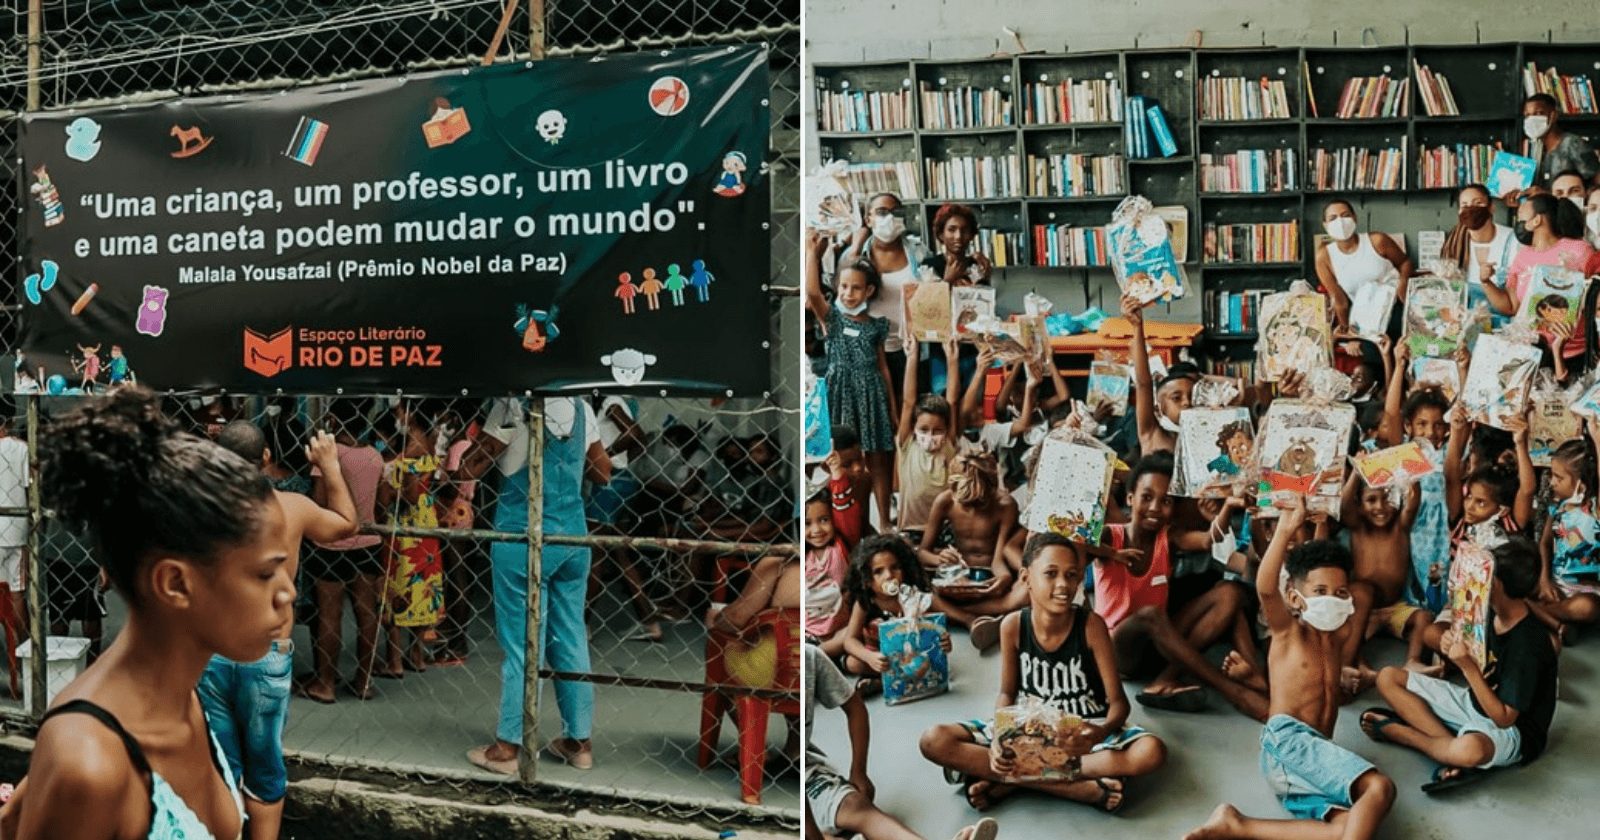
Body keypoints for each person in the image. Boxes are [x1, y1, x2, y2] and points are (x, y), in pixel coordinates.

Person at [0, 388, 292, 840]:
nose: (288, 593)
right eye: (264, 574)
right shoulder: (89, 764)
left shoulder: (185, 700)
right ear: (175, 583)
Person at [1182, 495, 1396, 840]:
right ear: (1295, 599)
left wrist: (1321, 522)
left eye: (1340, 592)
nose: (1331, 597)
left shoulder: (1336, 634)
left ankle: (1237, 825)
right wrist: (1285, 528)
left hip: (1309, 758)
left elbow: (1321, 566)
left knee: (1344, 827)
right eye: (1320, 592)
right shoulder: (1288, 632)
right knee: (1379, 788)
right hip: (1289, 744)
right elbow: (1267, 587)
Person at [918, 533, 1167, 813]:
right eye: (1050, 574)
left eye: (1072, 575)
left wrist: (1097, 734)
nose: (1063, 584)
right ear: (1025, 578)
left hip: (1082, 731)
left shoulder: (1090, 626)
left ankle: (1012, 780)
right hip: (1029, 728)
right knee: (934, 740)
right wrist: (1002, 737)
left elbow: (1119, 704)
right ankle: (1077, 790)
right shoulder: (1012, 626)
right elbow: (1006, 694)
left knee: (1151, 752)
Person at [210, 419, 359, 840]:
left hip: (211, 651)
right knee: (264, 768)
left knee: (220, 764)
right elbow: (346, 524)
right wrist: (329, 465)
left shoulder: (199, 508)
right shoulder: (290, 506)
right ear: (266, 460)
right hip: (267, 654)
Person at [464, 396, 609, 775]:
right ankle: (578, 743)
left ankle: (508, 747)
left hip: (521, 536)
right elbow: (603, 472)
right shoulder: (581, 408)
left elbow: (469, 467)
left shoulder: (510, 406)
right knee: (571, 638)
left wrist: (502, 435)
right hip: (572, 538)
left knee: (522, 645)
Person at [1364, 537, 1559, 793]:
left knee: (1469, 750)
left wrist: (1467, 667)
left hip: (1513, 732)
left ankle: (1401, 733)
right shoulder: (1489, 614)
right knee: (1388, 677)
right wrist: (1449, 642)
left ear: (1495, 584)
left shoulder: (1528, 645)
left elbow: (1503, 718)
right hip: (1475, 702)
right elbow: (1473, 653)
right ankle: (1447, 749)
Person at [806, 644, 999, 840]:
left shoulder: (809, 657)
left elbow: (855, 707)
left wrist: (858, 771)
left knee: (856, 807)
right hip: (775, 778)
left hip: (803, 772)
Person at [807, 229, 898, 529]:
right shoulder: (831, 319)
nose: (848, 293)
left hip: (871, 393)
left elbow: (883, 368)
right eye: (844, 287)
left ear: (868, 292)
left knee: (879, 460)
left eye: (856, 288)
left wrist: (893, 410)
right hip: (840, 392)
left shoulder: (876, 327)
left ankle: (885, 520)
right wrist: (813, 254)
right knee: (844, 461)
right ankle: (850, 523)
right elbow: (811, 293)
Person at [300, 397, 387, 703]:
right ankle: (363, 680)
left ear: (334, 422)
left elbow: (321, 500)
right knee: (367, 613)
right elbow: (380, 503)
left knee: (329, 614)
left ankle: (325, 682)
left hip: (332, 543)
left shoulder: (331, 455)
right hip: (369, 540)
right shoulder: (375, 456)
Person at [918, 450, 1022, 641]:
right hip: (956, 579)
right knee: (919, 591)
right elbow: (923, 552)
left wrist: (1004, 578)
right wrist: (939, 559)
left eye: (980, 504)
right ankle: (970, 619)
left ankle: (952, 614)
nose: (972, 510)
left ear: (992, 490)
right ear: (954, 489)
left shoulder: (1006, 505)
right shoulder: (945, 501)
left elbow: (999, 559)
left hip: (989, 581)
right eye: (966, 505)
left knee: (1023, 593)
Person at [842, 191, 930, 388]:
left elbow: (934, 291)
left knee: (913, 408)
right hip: (870, 350)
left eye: (896, 212)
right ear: (868, 219)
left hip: (913, 348)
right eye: (882, 212)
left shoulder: (919, 252)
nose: (890, 218)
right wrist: (855, 252)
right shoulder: (851, 256)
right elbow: (841, 302)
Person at [1314, 200, 1412, 336]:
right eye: (1333, 218)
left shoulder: (1377, 240)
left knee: (1408, 352)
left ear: (1354, 218)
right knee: (1372, 354)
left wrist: (1403, 282)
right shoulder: (1324, 257)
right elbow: (1339, 300)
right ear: (1325, 225)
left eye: (1345, 215)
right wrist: (1348, 333)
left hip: (1398, 308)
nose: (1340, 222)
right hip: (1366, 321)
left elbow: (1405, 262)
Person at [896, 339, 961, 537]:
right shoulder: (907, 444)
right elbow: (908, 402)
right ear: (914, 427)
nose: (930, 435)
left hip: (944, 528)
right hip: (911, 528)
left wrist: (952, 360)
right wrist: (912, 356)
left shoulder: (948, 445)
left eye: (937, 430)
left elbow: (952, 401)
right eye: (924, 429)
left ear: (946, 428)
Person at [1537, 432, 1600, 627]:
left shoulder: (1594, 509)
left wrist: (1597, 438)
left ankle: (1538, 613)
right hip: (1554, 583)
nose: (1551, 482)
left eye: (1558, 477)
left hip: (1588, 592)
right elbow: (1545, 544)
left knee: (1586, 607)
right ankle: (1556, 619)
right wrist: (1544, 579)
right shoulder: (1557, 507)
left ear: (1581, 484)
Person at [1123, 294, 1195, 455]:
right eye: (1176, 398)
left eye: (1193, 396)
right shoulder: (1152, 434)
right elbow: (1143, 384)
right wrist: (1137, 326)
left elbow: (1233, 474)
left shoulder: (1204, 444)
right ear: (1158, 408)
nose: (1187, 403)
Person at [1440, 184, 1518, 325]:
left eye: (1478, 203)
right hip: (1464, 324)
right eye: (1465, 205)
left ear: (1491, 207)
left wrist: (1486, 282)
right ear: (1459, 212)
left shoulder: (1512, 240)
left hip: (1502, 326)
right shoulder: (1453, 244)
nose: (1471, 209)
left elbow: (1511, 308)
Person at [804, 489, 851, 655]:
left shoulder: (839, 547)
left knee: (856, 631)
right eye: (807, 523)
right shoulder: (803, 557)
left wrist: (836, 473)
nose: (816, 530)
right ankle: (817, 655)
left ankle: (817, 655)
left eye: (824, 520)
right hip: (809, 634)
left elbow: (846, 515)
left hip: (840, 631)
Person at [1519, 93, 1599, 187]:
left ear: (1553, 116)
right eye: (1527, 115)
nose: (1531, 119)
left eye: (1538, 113)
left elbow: (1595, 183)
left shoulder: (1573, 144)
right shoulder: (1536, 149)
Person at [0, 405, 28, 650]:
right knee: (17, 592)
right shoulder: (21, 448)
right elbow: (31, 483)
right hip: (16, 529)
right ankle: (24, 646)